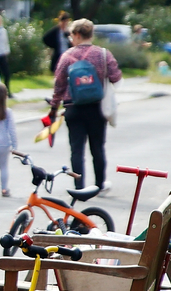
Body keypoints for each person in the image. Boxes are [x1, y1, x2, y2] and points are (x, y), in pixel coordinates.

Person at [50, 18, 122, 192]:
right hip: (97, 108)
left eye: (71, 35)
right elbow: (116, 77)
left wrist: (53, 108)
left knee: (77, 150)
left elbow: (59, 85)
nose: (70, 39)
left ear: (77, 34)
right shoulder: (103, 54)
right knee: (97, 148)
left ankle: (79, 186)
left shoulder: (67, 56)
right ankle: (99, 185)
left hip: (73, 108)